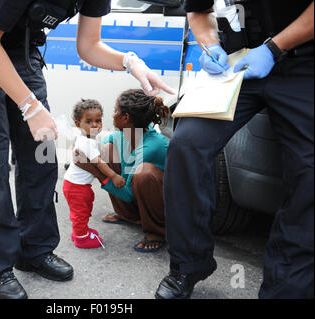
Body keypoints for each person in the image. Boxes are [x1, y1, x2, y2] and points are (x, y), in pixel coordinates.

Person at [0, 0, 175, 299]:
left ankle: (35, 250)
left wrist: (131, 62)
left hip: (22, 52)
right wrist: (29, 106)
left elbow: (89, 45)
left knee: (41, 156)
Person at [155, 0, 314, 299]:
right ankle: (188, 264)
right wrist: (211, 46)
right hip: (239, 62)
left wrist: (273, 48)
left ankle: (288, 287)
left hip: (304, 64)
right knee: (186, 145)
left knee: (310, 172)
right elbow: (199, 12)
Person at [74, 89, 169, 253]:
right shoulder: (122, 135)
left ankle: (158, 232)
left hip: (164, 204)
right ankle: (129, 215)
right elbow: (95, 153)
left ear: (125, 118)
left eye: (115, 111)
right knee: (105, 151)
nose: (112, 115)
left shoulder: (152, 146)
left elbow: (130, 194)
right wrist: (82, 151)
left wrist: (98, 173)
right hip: (136, 193)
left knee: (143, 173)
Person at [63, 99, 125, 249]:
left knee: (81, 209)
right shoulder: (88, 142)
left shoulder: (85, 138)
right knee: (81, 212)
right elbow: (99, 163)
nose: (95, 125)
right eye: (89, 122)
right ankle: (81, 237)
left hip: (73, 184)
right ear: (79, 124)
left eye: (98, 120)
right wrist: (114, 176)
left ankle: (79, 232)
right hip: (77, 186)